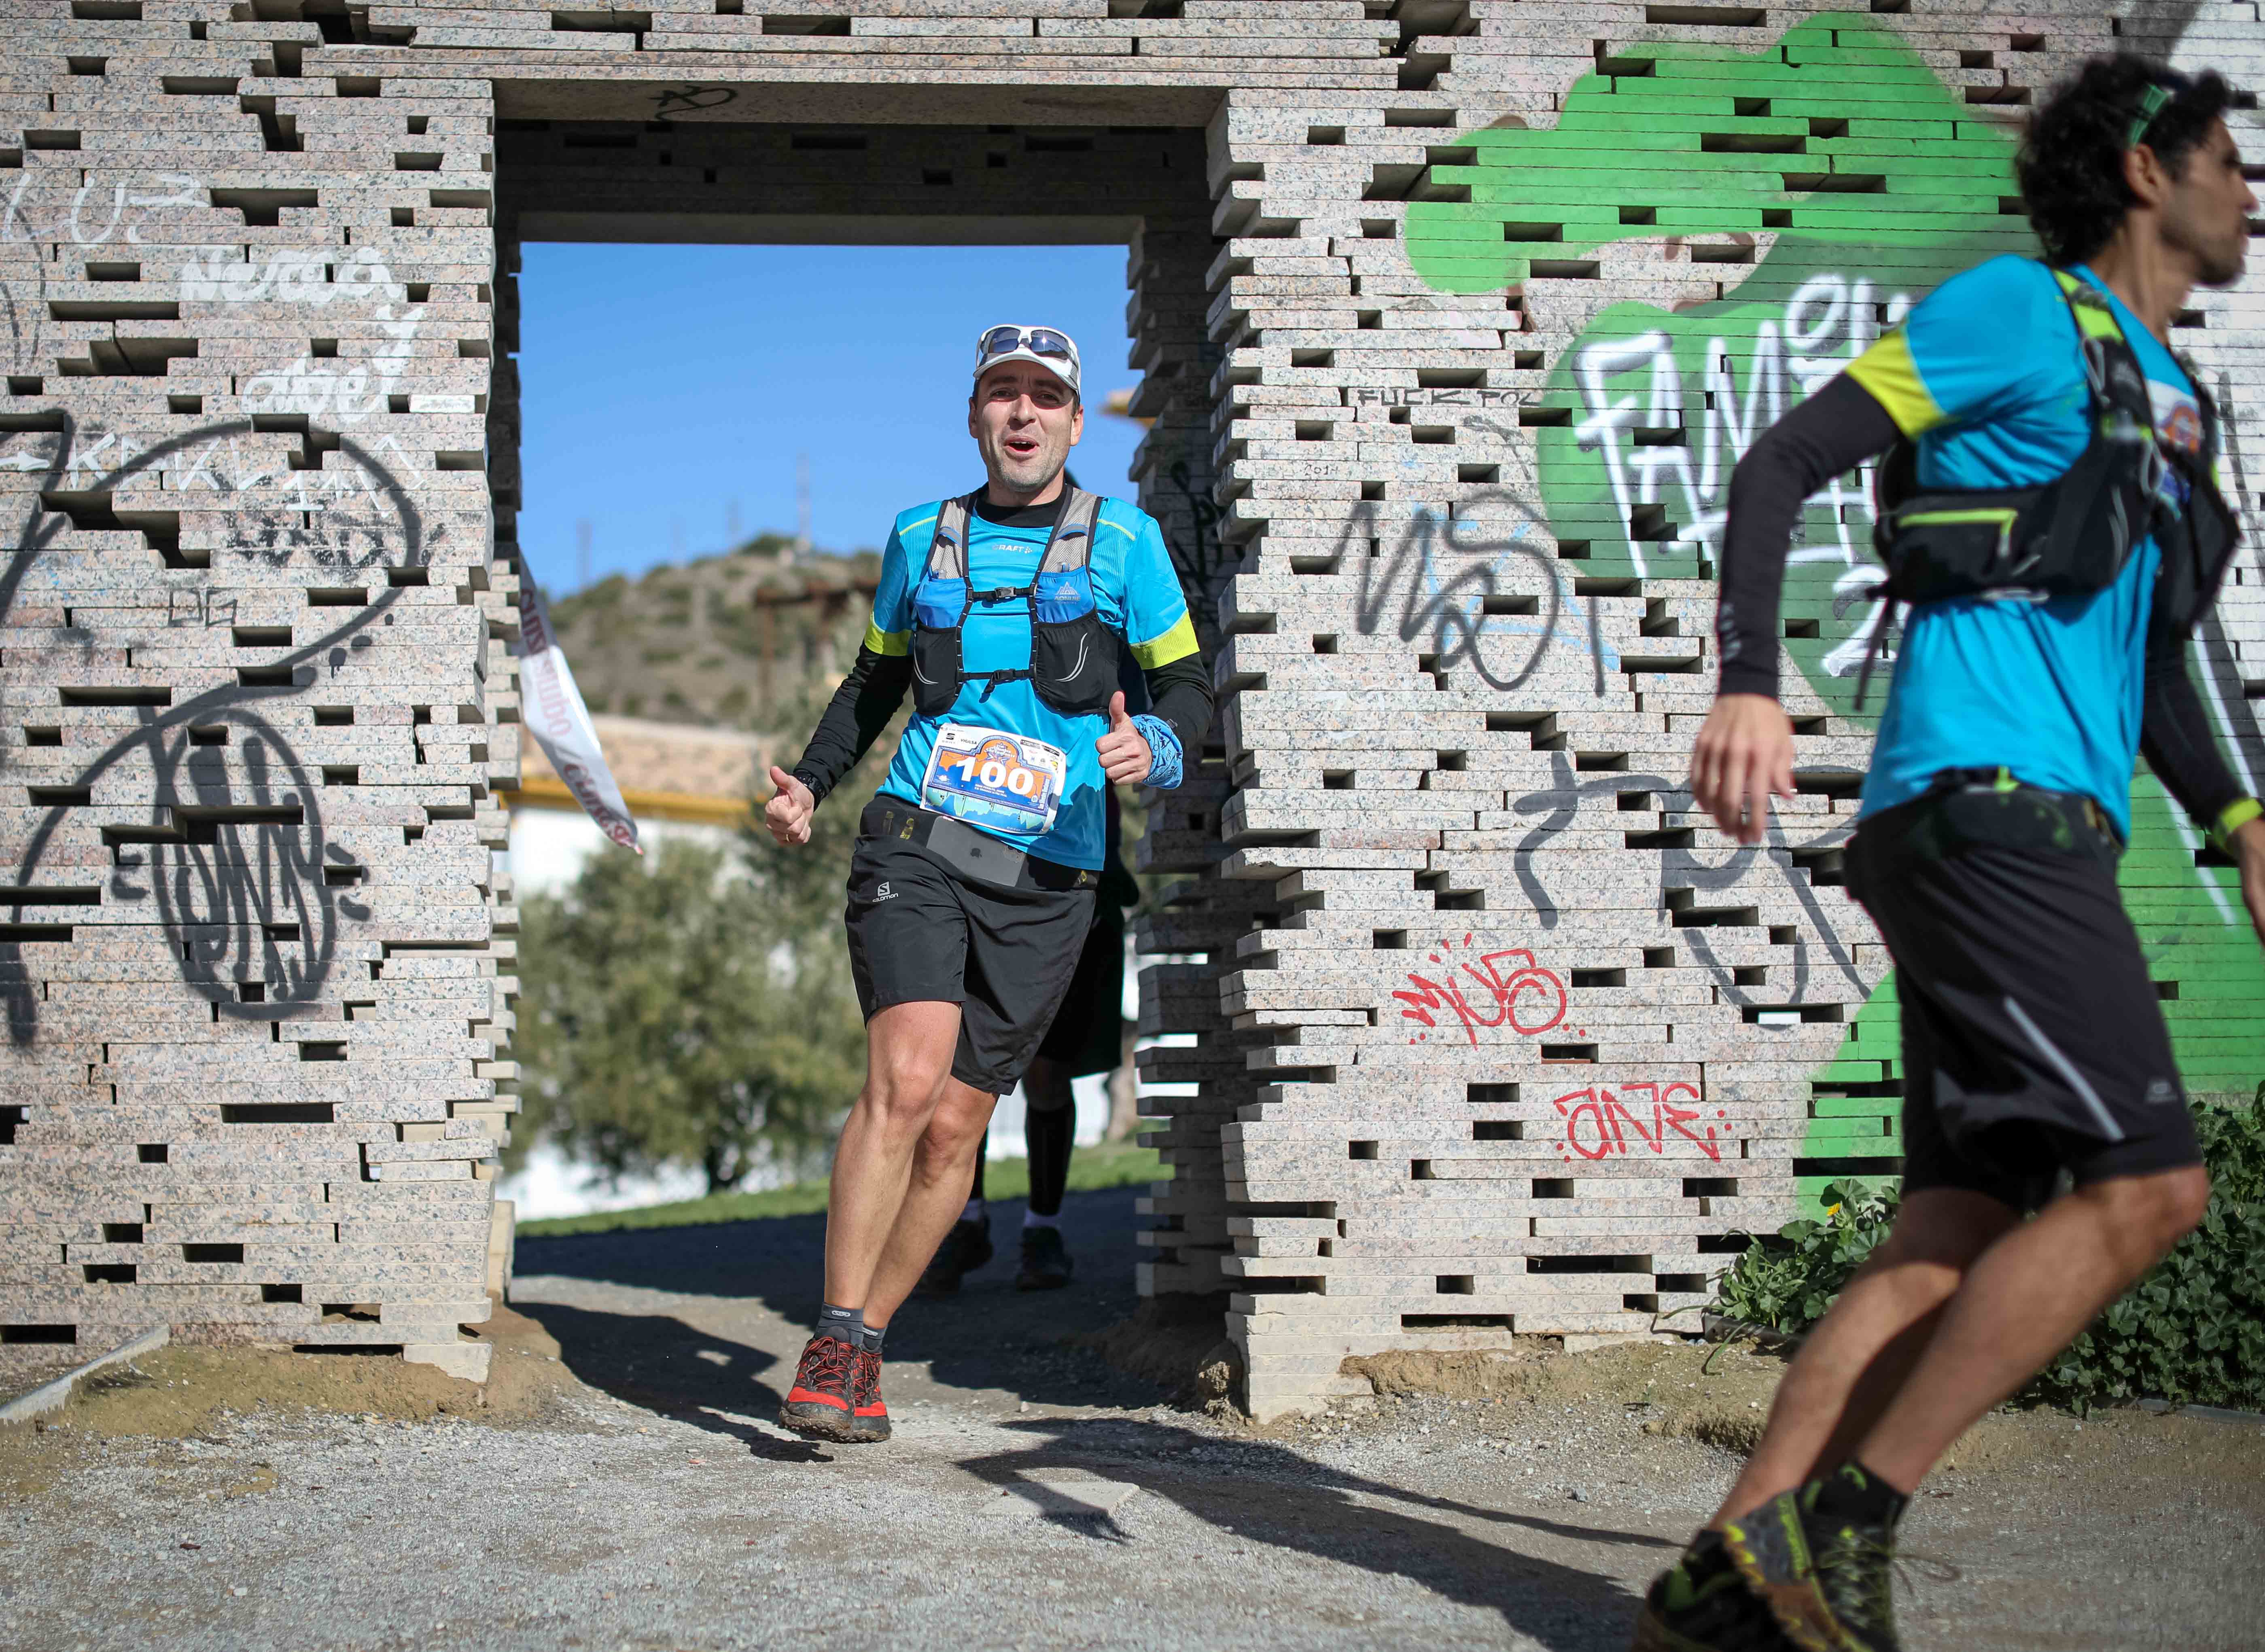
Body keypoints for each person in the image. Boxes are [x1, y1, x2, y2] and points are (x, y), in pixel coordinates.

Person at [1640, 55, 2263, 1652]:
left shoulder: (2170, 406)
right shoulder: (2014, 314)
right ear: (2146, 169)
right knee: (2149, 1187)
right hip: (1980, 809)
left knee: (1951, 1234)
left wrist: (2244, 819)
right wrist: (1749, 685)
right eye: (2223, 154)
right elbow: (1780, 460)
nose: (2245, 186)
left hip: (2028, 815)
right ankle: (1839, 1521)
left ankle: (1718, 1575)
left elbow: (2159, 669)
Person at [763, 323, 1212, 1444]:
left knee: (960, 1123)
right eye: (1000, 394)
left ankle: (865, 1339)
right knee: (907, 1080)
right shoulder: (923, 535)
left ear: (1070, 420)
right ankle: (826, 1335)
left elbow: (1189, 691)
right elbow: (871, 682)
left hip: (1051, 872)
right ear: (974, 415)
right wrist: (813, 782)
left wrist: (1150, 751)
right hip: (917, 840)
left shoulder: (1127, 543)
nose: (1022, 413)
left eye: (1044, 397)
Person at [920, 775, 1141, 1295]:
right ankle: (965, 1223)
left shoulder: (1093, 706)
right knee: (960, 1076)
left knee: (1047, 1074)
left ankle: (1044, 1230)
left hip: (1070, 892)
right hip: (978, 888)